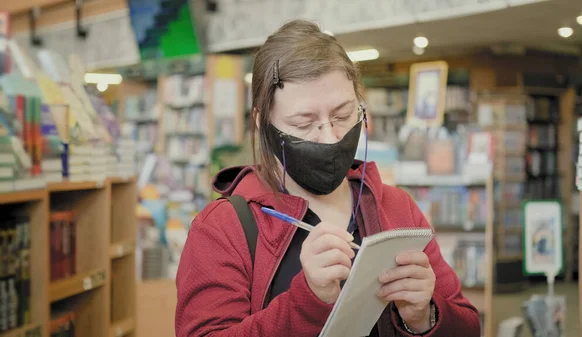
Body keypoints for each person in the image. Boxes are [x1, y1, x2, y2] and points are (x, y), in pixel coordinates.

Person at [175, 19, 480, 337]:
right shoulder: (222, 227)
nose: (330, 137)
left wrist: (425, 316)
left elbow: (469, 327)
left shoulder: (397, 207)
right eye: (304, 122)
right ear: (261, 122)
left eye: (343, 114)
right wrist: (307, 302)